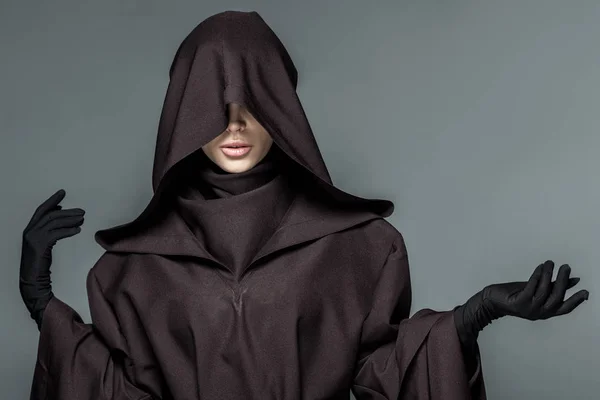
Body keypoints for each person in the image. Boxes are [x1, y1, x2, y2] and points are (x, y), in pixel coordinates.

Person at [19, 10, 589, 400]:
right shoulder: (127, 271)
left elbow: (383, 377)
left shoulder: (363, 247)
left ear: (281, 107)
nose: (234, 123)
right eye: (212, 103)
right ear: (185, 112)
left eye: (251, 100)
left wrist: (476, 313)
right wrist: (41, 303)